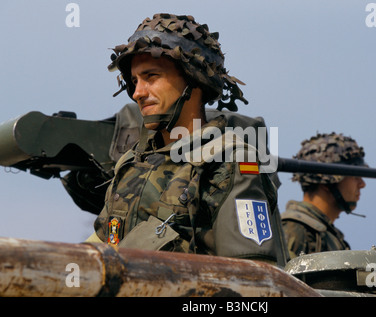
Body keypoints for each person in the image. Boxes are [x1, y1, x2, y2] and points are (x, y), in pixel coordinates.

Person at [86, 13, 288, 266]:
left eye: (151, 77)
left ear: (194, 80)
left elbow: (252, 278)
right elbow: (98, 249)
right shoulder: (129, 163)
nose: (137, 92)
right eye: (135, 81)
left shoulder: (229, 161)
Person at [281, 132, 367, 258]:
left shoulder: (325, 234)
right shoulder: (296, 229)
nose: (362, 184)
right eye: (355, 176)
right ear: (327, 182)